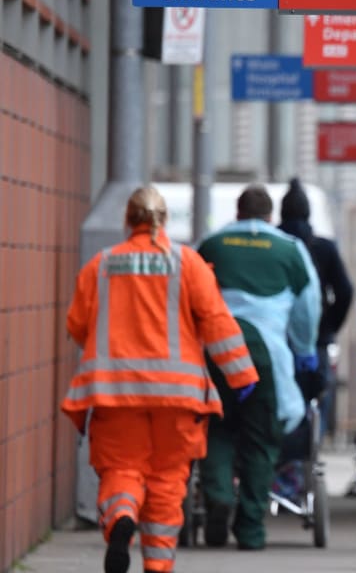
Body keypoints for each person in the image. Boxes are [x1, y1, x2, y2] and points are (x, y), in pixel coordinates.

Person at [61, 186, 259, 573]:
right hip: (178, 400)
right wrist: (241, 377)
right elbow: (217, 321)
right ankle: (157, 565)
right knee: (168, 481)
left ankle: (121, 518)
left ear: (127, 221)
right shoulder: (188, 263)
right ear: (164, 221)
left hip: (114, 396)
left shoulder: (101, 265)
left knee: (121, 469)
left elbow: (77, 325)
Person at [196, 184, 321, 551]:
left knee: (215, 428)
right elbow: (307, 306)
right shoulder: (290, 250)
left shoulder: (211, 244)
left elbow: (191, 294)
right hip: (266, 356)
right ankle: (250, 529)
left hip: (216, 350)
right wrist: (304, 347)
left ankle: (218, 495)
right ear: (270, 217)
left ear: (237, 213)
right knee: (261, 440)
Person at [277, 178, 353, 435]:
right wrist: (329, 325)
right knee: (315, 397)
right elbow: (345, 291)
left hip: (277, 335)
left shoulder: (274, 244)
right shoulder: (324, 248)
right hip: (316, 341)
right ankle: (308, 454)